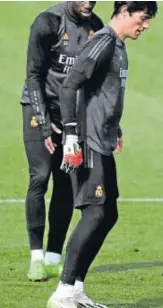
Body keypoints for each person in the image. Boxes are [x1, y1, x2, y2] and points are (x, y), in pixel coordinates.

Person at [46, 2, 158, 307]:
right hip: (86, 141)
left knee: (108, 214)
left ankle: (77, 289)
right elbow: (70, 85)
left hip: (103, 140)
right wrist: (70, 134)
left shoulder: (119, 47)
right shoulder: (103, 43)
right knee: (95, 213)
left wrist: (116, 127)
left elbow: (103, 94)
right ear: (123, 11)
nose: (145, 25)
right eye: (143, 18)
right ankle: (62, 292)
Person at [20, 1, 103, 282]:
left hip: (72, 114)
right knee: (40, 177)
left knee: (66, 179)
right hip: (38, 107)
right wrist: (45, 123)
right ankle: (36, 257)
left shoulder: (96, 27)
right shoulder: (47, 23)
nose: (90, 2)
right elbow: (33, 75)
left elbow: (95, 82)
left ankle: (54, 257)